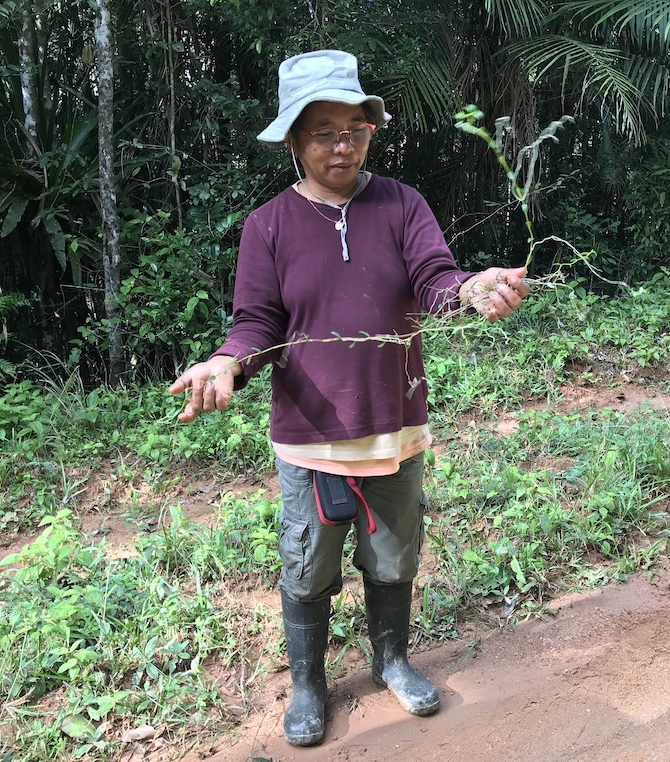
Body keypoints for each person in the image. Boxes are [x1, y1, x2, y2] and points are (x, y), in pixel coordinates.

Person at [169, 49, 530, 747]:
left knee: (393, 558)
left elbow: (434, 279)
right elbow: (256, 323)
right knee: (308, 565)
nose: (341, 144)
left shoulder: (401, 204)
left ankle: (391, 661)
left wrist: (469, 290)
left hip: (393, 425)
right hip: (308, 436)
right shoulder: (267, 227)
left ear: (370, 130)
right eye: (322, 130)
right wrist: (226, 363)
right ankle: (309, 683)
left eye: (355, 128)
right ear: (294, 140)